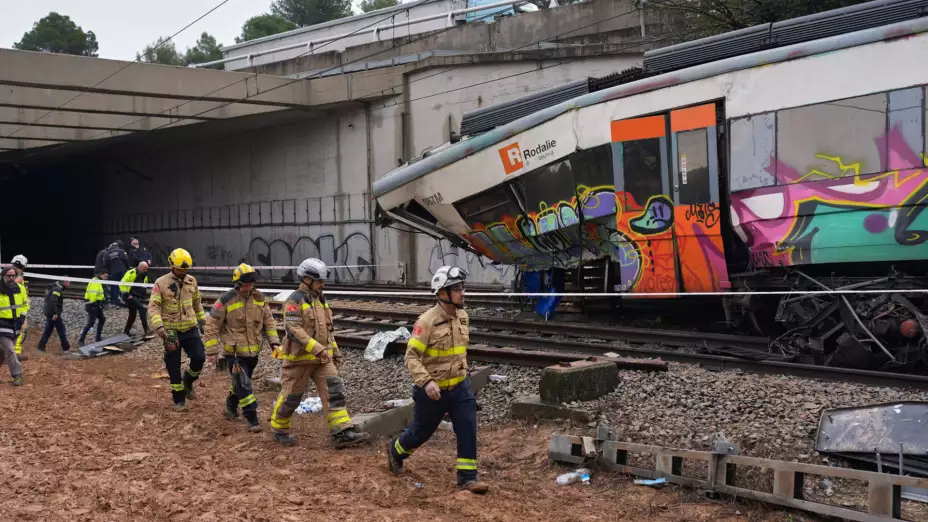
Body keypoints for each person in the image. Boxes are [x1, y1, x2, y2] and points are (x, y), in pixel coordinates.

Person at [387, 265, 488, 494]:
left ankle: (467, 479)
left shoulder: (462, 316)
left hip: (460, 387)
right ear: (443, 293)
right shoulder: (426, 322)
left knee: (467, 427)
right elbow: (411, 357)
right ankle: (395, 450)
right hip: (433, 391)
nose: (463, 292)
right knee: (420, 433)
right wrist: (426, 382)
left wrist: (463, 371)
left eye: (462, 288)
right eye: (457, 289)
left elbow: (458, 350)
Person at [269, 258, 370, 448]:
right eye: (319, 281)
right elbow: (294, 330)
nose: (323, 285)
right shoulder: (294, 301)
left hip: (322, 359)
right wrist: (318, 349)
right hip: (299, 360)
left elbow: (327, 330)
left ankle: (342, 431)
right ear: (307, 279)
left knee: (334, 391)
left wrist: (335, 351)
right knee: (292, 396)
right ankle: (280, 428)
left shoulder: (321, 300)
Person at [203, 263, 280, 432]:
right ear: (237, 283)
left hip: (253, 351)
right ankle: (252, 418)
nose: (249, 286)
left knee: (240, 383)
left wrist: (274, 342)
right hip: (234, 352)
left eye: (251, 283)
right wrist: (212, 351)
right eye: (246, 283)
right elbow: (211, 326)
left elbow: (269, 322)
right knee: (244, 386)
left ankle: (230, 406)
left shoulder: (260, 298)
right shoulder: (225, 300)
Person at [148, 248, 206, 412]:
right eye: (180, 269)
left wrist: (203, 321)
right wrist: (160, 328)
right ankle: (179, 399)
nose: (183, 272)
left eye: (185, 270)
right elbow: (153, 307)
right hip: (170, 331)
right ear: (172, 265)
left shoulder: (191, 281)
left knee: (199, 358)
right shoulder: (161, 283)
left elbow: (197, 304)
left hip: (190, 327)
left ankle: (188, 382)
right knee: (173, 367)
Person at [0, 267, 28, 385]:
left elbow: (25, 304)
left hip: (16, 324)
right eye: (8, 276)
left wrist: (22, 316)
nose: (11, 278)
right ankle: (18, 375)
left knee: (2, 352)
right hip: (2, 324)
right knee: (10, 350)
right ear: (3, 276)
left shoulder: (21, 288)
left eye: (13, 276)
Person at [37, 279, 71, 353]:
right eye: (68, 282)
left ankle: (40, 347)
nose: (69, 284)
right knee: (61, 330)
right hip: (53, 313)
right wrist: (55, 313)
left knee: (48, 330)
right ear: (64, 282)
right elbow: (53, 301)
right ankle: (66, 349)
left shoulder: (55, 288)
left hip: (49, 312)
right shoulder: (57, 290)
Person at [120, 262, 151, 337]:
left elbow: (144, 285)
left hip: (137, 296)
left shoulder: (144, 275)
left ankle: (126, 331)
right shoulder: (131, 273)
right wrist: (127, 294)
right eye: (144, 269)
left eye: (146, 269)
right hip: (130, 295)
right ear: (140, 267)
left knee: (132, 314)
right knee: (142, 309)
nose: (145, 271)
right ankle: (146, 329)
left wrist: (144, 295)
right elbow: (122, 284)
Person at [79, 271, 108, 345]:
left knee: (102, 319)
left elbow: (98, 294)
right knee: (91, 323)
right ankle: (81, 340)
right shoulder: (96, 282)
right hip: (92, 305)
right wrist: (95, 304)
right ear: (101, 275)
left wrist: (100, 303)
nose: (106, 278)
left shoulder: (98, 281)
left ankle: (98, 338)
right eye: (105, 276)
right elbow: (93, 294)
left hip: (96, 304)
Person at [11, 255, 28, 359]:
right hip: (17, 309)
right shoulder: (18, 276)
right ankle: (15, 354)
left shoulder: (6, 274)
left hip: (8, 308)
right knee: (21, 331)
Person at [105, 242, 129, 307]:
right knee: (124, 285)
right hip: (122, 270)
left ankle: (116, 302)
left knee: (115, 287)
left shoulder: (108, 254)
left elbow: (106, 264)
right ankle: (125, 300)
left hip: (113, 272)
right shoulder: (121, 251)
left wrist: (110, 271)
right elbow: (125, 259)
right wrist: (127, 267)